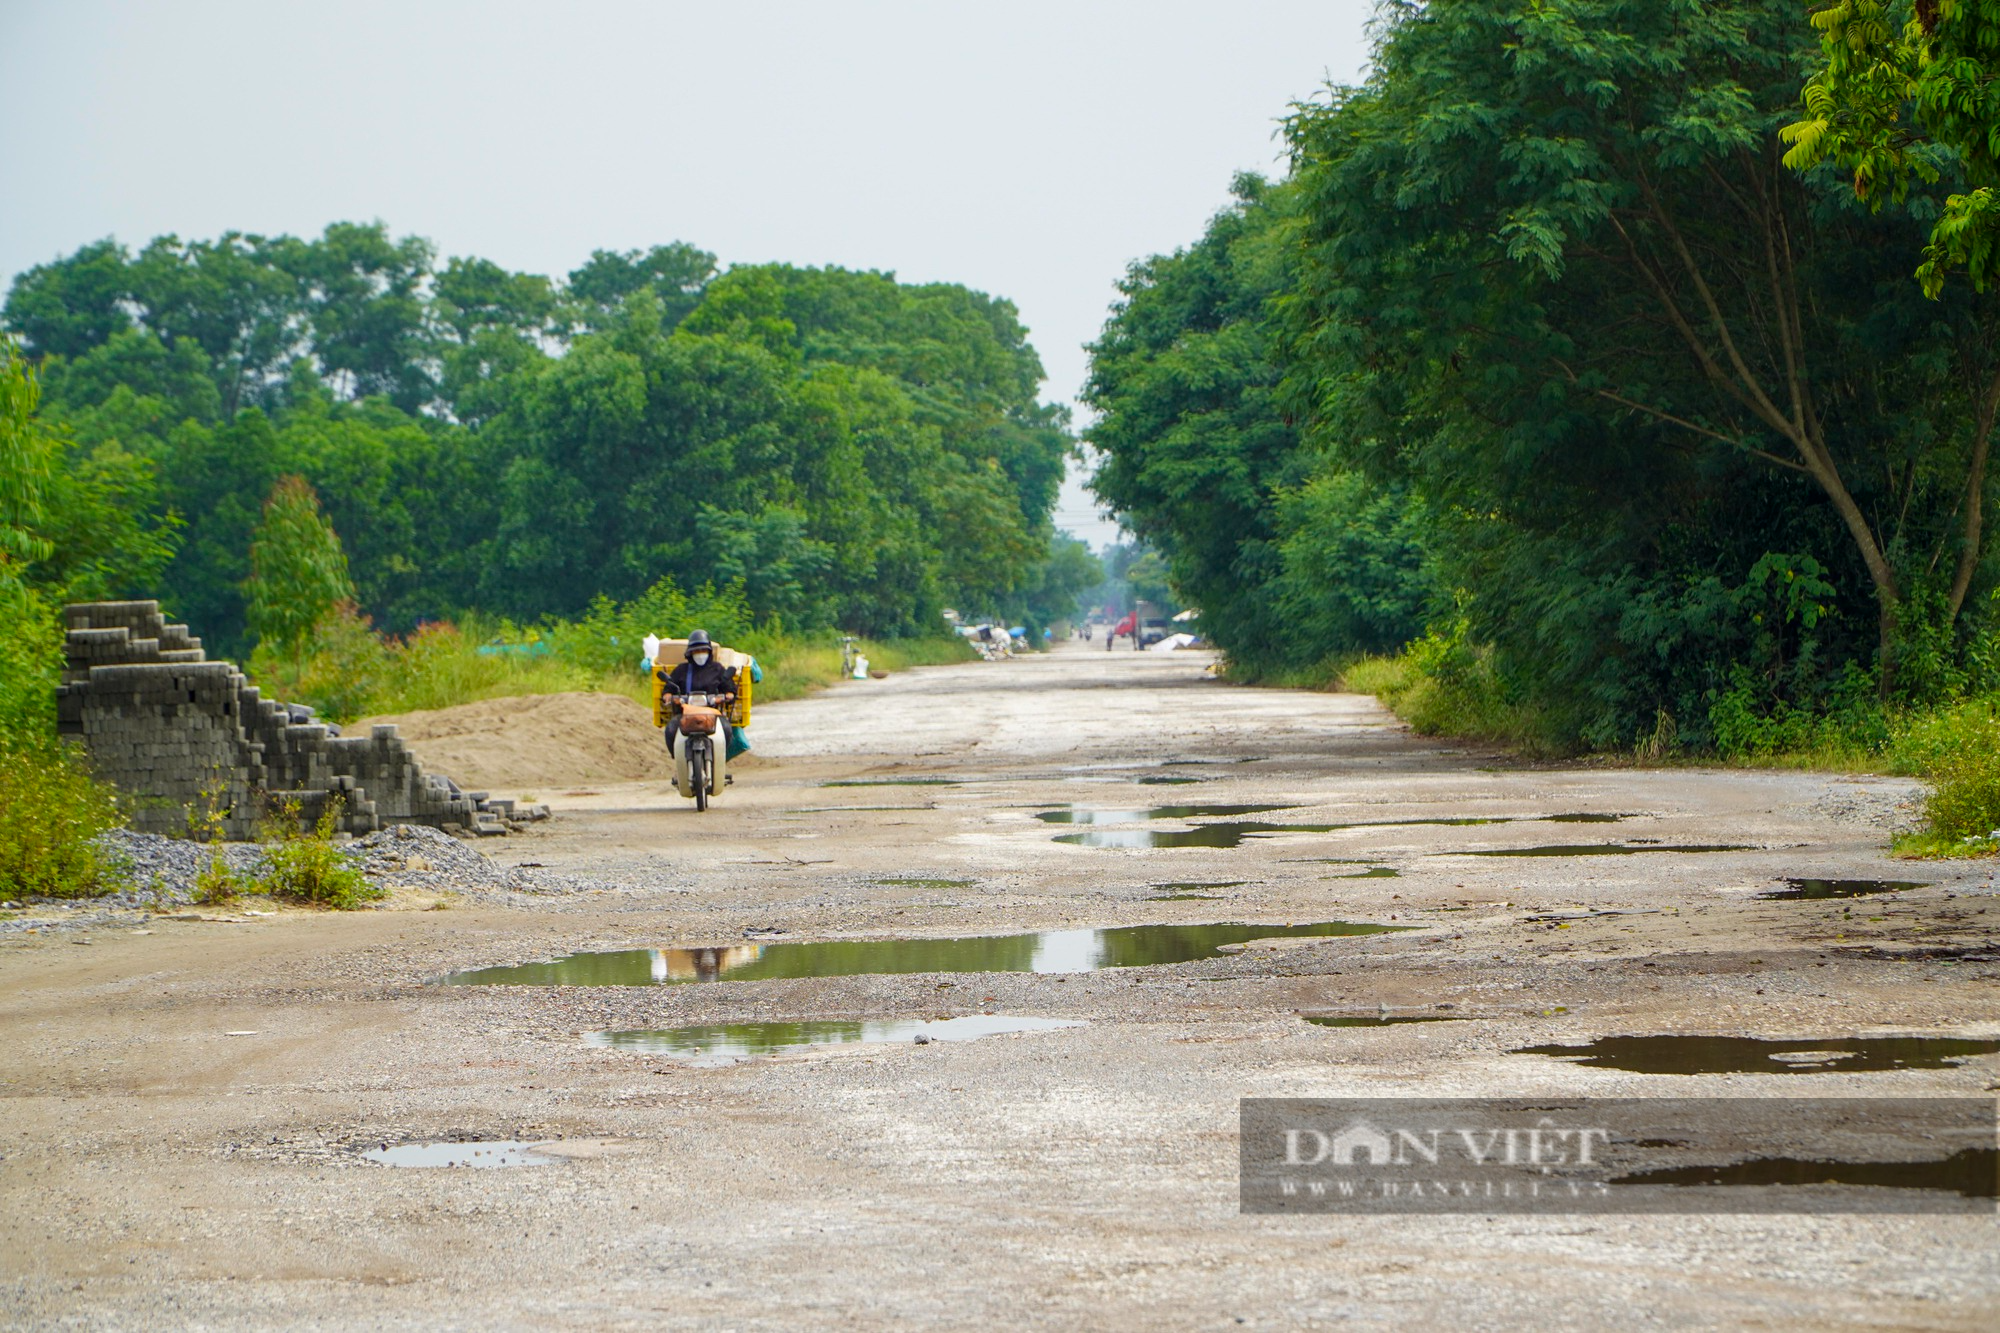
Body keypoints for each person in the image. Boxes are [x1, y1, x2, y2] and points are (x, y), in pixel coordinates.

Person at [656, 629, 737, 759]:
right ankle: (679, 759)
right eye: (696, 651)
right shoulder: (681, 670)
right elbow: (668, 689)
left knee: (727, 730)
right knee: (670, 730)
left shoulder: (717, 669)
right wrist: (669, 697)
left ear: (709, 652)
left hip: (712, 713)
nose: (700, 654)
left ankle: (721, 758)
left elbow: (729, 688)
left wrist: (728, 695)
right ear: (690, 653)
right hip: (685, 714)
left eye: (703, 651)